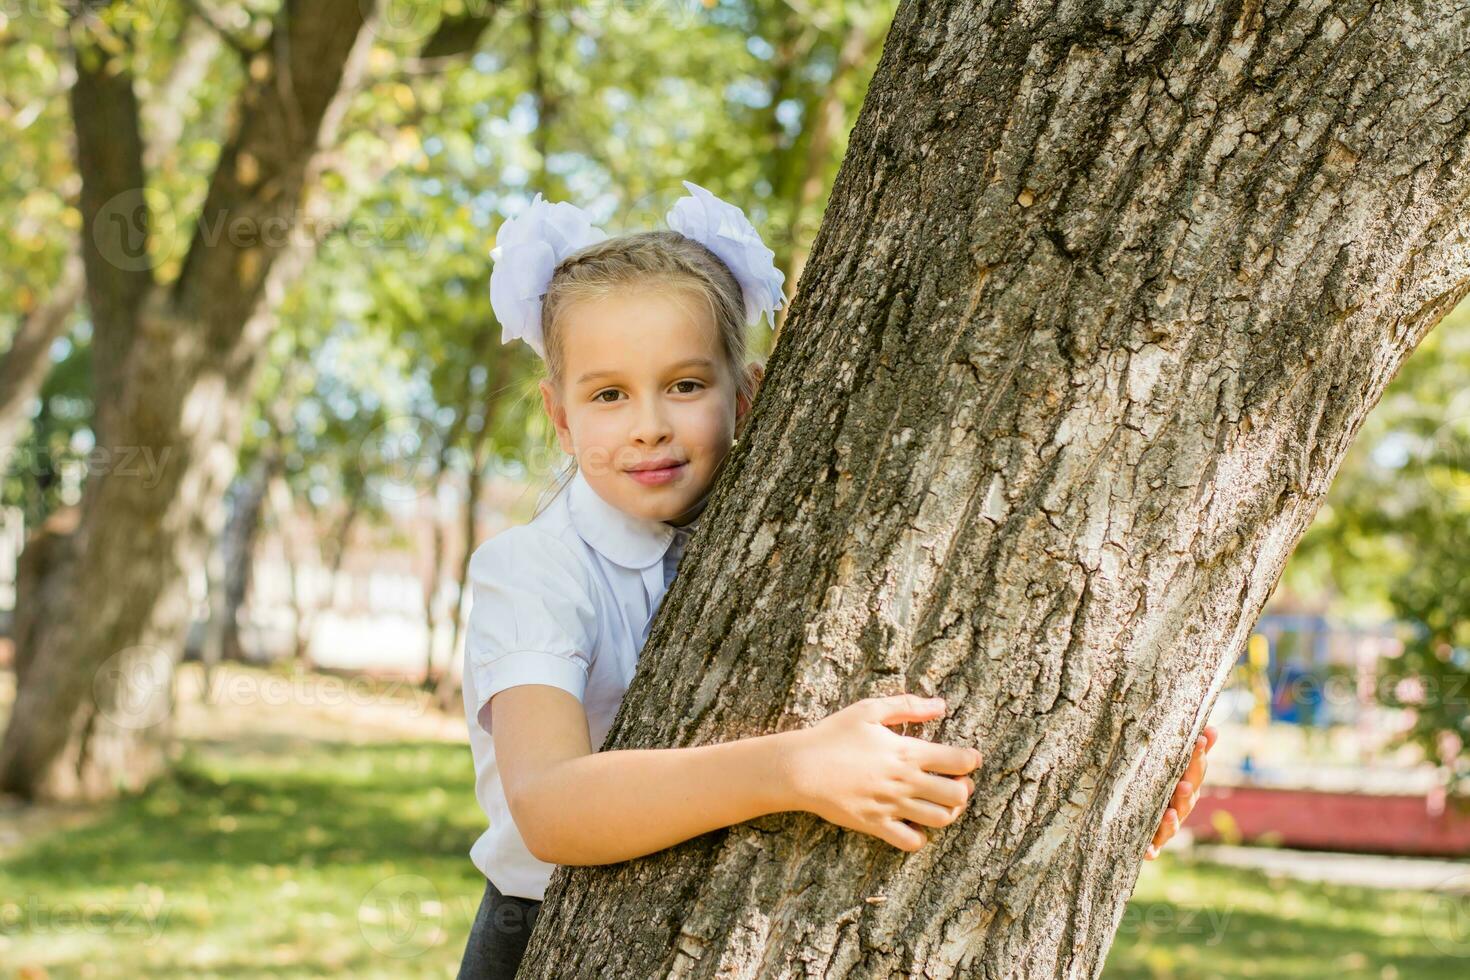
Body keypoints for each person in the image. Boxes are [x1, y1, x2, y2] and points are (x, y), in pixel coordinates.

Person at [455, 181, 1215, 977]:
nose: (650, 423)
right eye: (609, 394)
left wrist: (1106, 791)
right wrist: (791, 768)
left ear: (745, 395)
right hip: (542, 933)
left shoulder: (780, 533)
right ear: (560, 417)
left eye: (685, 385)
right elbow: (548, 810)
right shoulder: (533, 569)